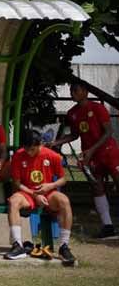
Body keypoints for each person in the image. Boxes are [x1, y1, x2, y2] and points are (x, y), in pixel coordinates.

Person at [50, 80, 119, 239]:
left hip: (108, 152)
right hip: (91, 155)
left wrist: (92, 150)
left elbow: (108, 132)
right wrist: (56, 142)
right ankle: (107, 226)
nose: (72, 93)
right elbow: (74, 134)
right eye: (71, 90)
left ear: (85, 92)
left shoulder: (98, 108)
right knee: (97, 187)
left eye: (76, 90)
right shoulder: (72, 113)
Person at [4, 130, 76, 266]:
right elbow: (17, 183)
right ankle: (17, 245)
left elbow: (62, 179)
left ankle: (64, 246)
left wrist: (50, 186)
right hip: (28, 193)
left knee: (64, 201)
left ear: (40, 144)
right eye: (26, 149)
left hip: (48, 193)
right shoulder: (18, 156)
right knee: (13, 200)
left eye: (32, 149)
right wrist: (34, 194)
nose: (29, 153)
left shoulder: (52, 156)